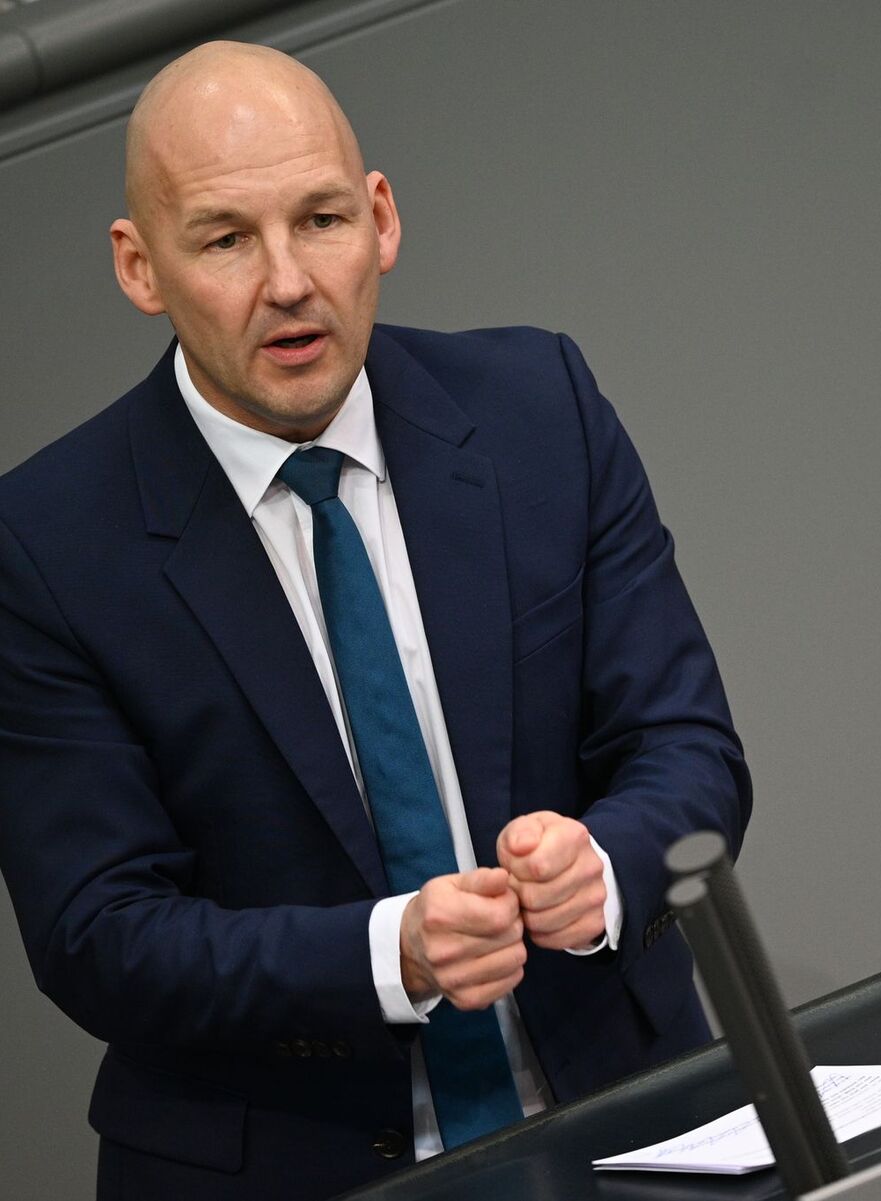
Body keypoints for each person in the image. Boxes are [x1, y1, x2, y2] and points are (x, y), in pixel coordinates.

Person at [0, 41, 751, 1201]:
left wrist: (602, 865)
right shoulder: (45, 544)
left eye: (322, 219)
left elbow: (688, 746)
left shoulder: (539, 409)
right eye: (225, 239)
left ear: (383, 220)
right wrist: (383, 955)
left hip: (627, 1125)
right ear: (139, 267)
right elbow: (99, 931)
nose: (290, 280)